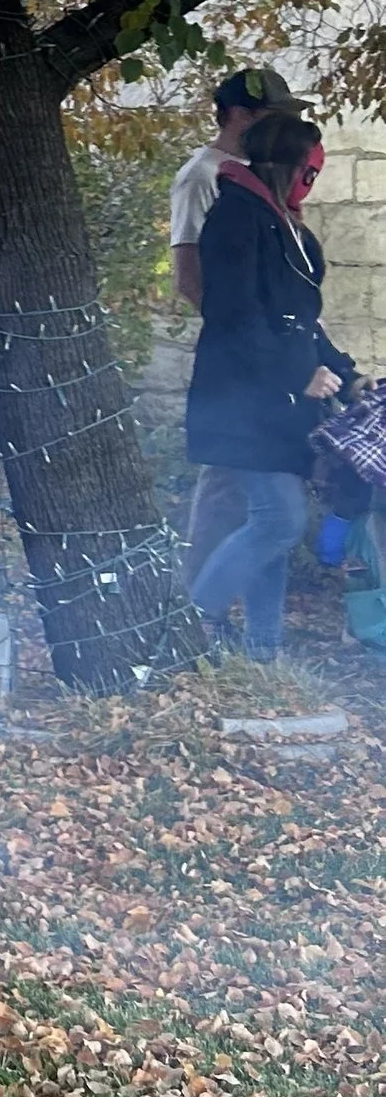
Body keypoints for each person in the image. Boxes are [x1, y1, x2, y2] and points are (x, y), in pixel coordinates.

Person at [186, 109, 350, 658]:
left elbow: (302, 318)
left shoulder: (284, 224)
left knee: (273, 532)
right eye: (311, 168)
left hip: (276, 404)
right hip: (243, 400)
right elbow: (234, 316)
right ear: (295, 168)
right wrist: (298, 373)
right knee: (280, 519)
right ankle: (191, 623)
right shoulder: (236, 218)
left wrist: (345, 373)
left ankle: (263, 654)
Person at [170, 69, 304, 575]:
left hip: (271, 353)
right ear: (240, 115)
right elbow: (189, 277)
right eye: (276, 116)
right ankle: (197, 615)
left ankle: (247, 632)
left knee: (261, 491)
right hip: (240, 360)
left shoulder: (260, 172)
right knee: (228, 482)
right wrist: (246, 344)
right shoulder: (202, 174)